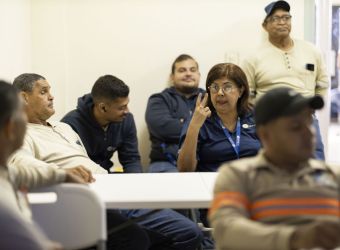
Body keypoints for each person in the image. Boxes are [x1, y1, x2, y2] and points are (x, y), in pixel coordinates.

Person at [12, 73, 203, 250]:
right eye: (43, 91)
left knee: (187, 231)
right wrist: (62, 173)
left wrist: (135, 188)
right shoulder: (22, 133)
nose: (51, 96)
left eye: (50, 91)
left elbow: (129, 158)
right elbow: (19, 163)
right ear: (23, 98)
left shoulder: (63, 128)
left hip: (113, 188)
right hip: (87, 200)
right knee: (148, 237)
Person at [209, 87, 340, 250]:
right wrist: (295, 239)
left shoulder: (334, 176)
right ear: (265, 134)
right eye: (295, 126)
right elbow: (226, 230)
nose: (309, 133)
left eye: (309, 122)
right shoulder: (239, 175)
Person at [0, 80, 86, 249]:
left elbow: (20, 173)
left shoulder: (5, 172)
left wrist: (63, 174)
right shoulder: (4, 207)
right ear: (11, 128)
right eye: (22, 117)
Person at [241, 0, 328, 160]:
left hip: (305, 117)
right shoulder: (253, 57)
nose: (282, 22)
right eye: (275, 18)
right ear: (265, 25)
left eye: (286, 17)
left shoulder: (311, 50)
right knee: (276, 167)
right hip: (271, 120)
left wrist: (311, 109)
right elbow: (247, 93)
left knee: (315, 166)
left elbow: (322, 83)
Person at [177, 63, 261, 173]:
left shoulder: (255, 116)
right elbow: (184, 170)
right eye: (215, 87)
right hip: (213, 184)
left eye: (227, 87)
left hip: (253, 182)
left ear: (240, 91)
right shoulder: (200, 119)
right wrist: (194, 127)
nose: (220, 93)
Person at [62, 75, 141, 173]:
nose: (127, 111)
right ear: (103, 108)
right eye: (121, 108)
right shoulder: (70, 125)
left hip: (106, 175)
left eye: (126, 105)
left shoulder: (126, 120)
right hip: (82, 179)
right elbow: (70, 166)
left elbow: (131, 160)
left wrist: (134, 185)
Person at [145, 54, 205, 173]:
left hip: (203, 161)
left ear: (199, 75)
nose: (188, 73)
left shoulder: (210, 99)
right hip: (166, 163)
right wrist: (198, 126)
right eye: (182, 70)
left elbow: (218, 129)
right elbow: (163, 128)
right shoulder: (159, 99)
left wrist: (183, 123)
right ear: (172, 77)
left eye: (192, 70)